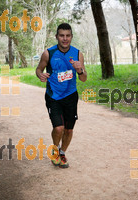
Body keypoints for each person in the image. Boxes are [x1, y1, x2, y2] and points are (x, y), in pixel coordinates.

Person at [36, 23, 87, 168]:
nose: (65, 39)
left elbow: (84, 78)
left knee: (69, 129)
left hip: (71, 96)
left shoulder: (77, 54)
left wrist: (80, 70)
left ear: (71, 37)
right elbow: (39, 69)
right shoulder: (48, 53)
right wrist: (41, 75)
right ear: (57, 36)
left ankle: (62, 152)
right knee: (59, 128)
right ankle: (55, 148)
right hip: (54, 96)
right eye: (61, 35)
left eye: (68, 36)